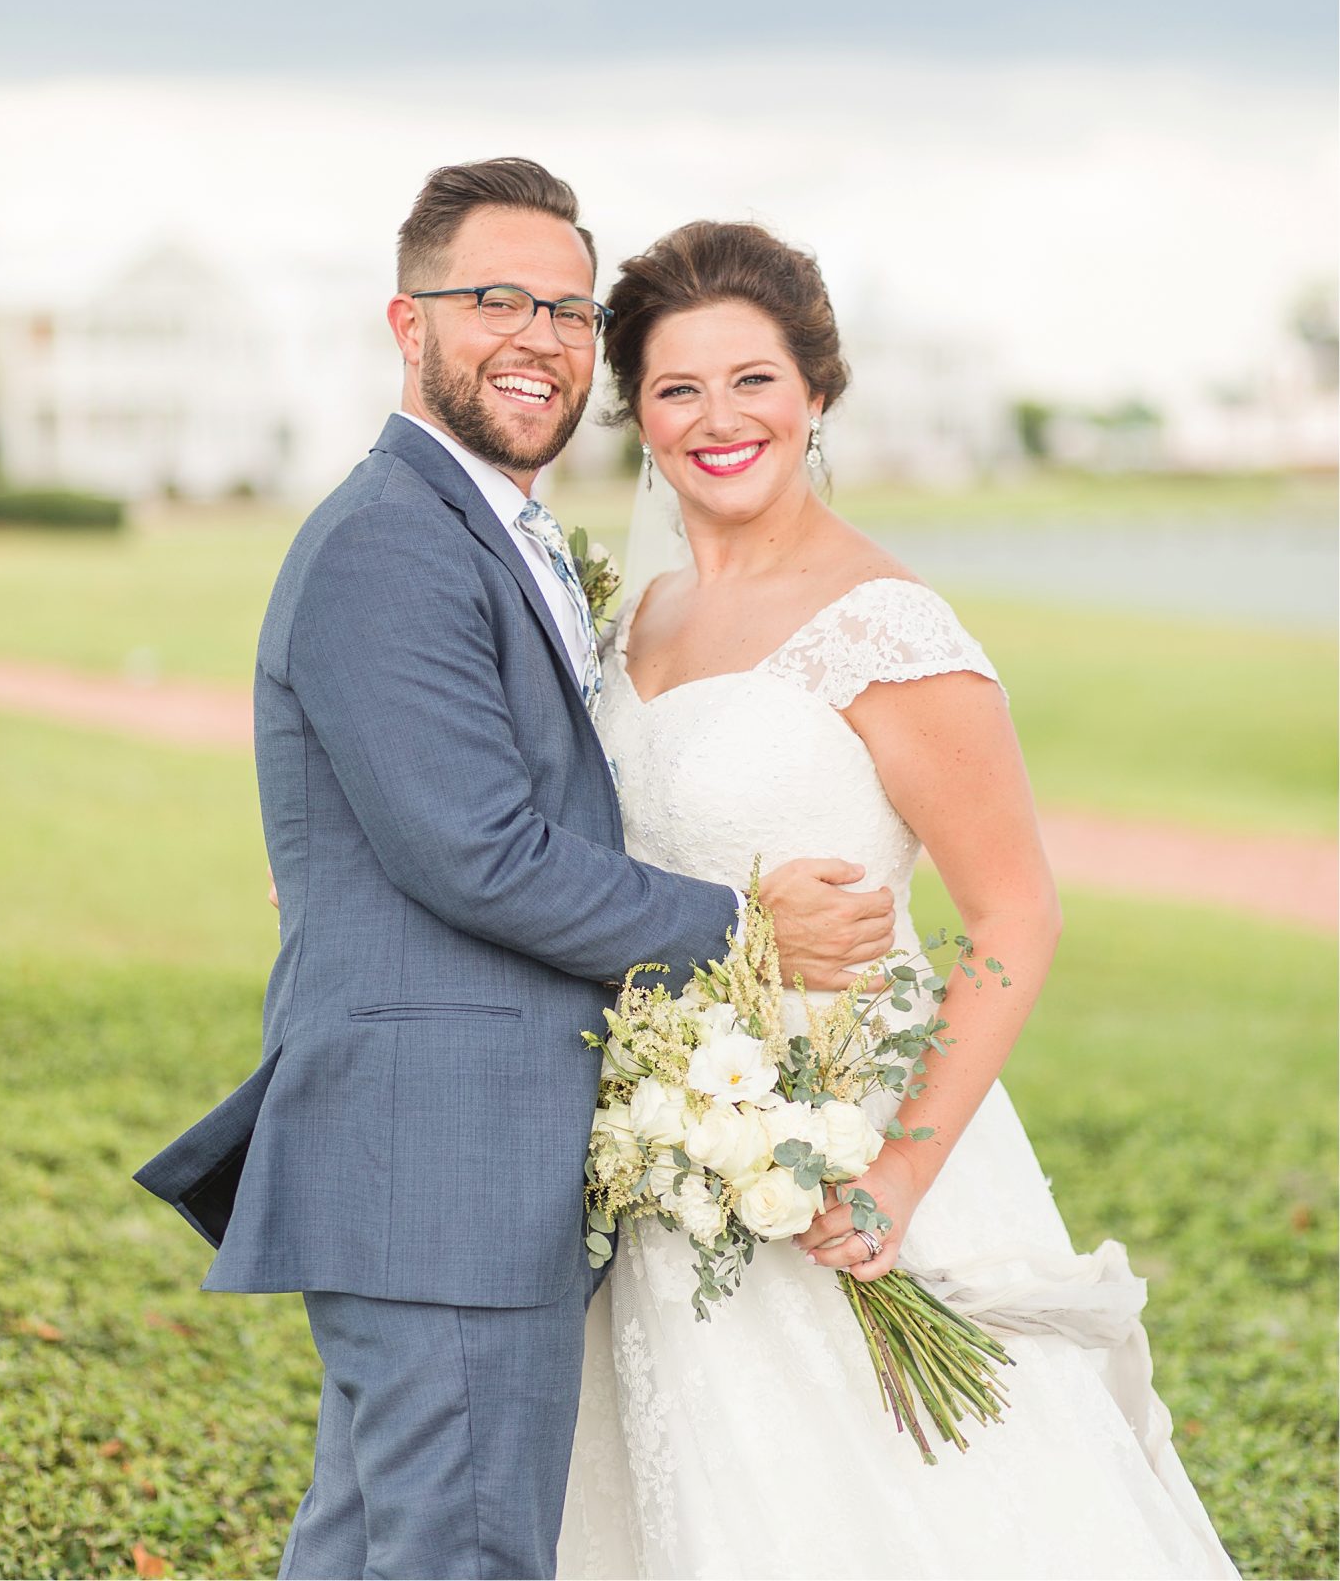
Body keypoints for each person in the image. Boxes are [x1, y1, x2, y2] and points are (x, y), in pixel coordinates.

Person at [133, 158, 899, 1581]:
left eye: (564, 305)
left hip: (448, 1163)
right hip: (444, 1164)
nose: (537, 334)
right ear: (405, 322)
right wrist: (745, 933)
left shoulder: (487, 530)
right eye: (493, 298)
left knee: (377, 1549)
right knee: (459, 1554)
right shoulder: (389, 542)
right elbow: (476, 851)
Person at [556, 220, 1238, 1581]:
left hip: (842, 1139)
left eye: (753, 379)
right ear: (636, 412)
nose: (718, 418)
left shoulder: (888, 627)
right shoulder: (633, 621)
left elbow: (1015, 917)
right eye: (677, 387)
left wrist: (897, 1173)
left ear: (815, 392)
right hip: (661, 1151)